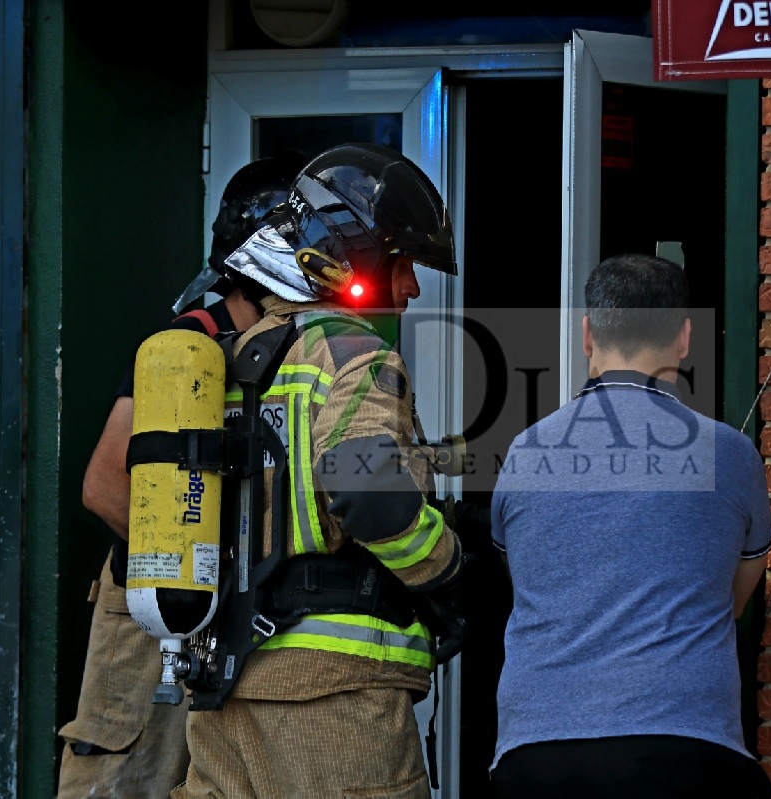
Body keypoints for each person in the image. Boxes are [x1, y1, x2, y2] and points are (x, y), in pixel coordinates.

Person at [172, 143, 466, 799]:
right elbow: (368, 493)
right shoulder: (353, 352)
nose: (414, 286)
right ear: (358, 260)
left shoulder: (226, 358)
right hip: (332, 699)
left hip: (225, 686)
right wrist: (447, 567)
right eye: (405, 265)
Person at [56, 152, 306, 799]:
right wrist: (191, 578)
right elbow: (105, 483)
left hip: (220, 626)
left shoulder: (287, 356)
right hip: (153, 620)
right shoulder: (187, 346)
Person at [489, 252, 771, 799]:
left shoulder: (524, 454)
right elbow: (731, 598)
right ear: (685, 338)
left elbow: (526, 581)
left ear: (587, 335)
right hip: (686, 749)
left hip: (537, 753)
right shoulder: (731, 454)